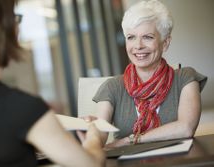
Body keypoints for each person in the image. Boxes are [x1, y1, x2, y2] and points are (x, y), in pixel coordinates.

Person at [0, 0, 105, 167]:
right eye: (16, 18)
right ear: (5, 29)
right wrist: (94, 139)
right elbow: (91, 165)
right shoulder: (22, 108)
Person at [83, 0, 207, 149]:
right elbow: (100, 136)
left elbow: (186, 128)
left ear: (165, 43)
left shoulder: (185, 78)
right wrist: (91, 133)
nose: (138, 46)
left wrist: (131, 140)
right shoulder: (112, 86)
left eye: (147, 37)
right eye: (131, 37)